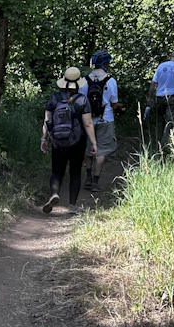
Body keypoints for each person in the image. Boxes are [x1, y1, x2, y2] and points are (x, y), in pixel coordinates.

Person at [41, 67, 98, 215]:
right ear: (78, 83)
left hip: (57, 140)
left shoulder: (54, 98)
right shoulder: (82, 100)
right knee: (75, 172)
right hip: (77, 142)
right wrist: (93, 142)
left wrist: (44, 138)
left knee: (57, 171)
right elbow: (88, 123)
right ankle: (72, 205)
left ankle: (54, 193)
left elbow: (47, 120)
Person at [80, 50, 119, 190]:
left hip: (88, 119)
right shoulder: (111, 80)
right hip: (106, 119)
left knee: (89, 148)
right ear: (105, 64)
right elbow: (114, 103)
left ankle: (88, 177)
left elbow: (80, 102)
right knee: (101, 151)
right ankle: (96, 181)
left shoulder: (84, 80)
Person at [146, 50, 174, 147]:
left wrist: (150, 98)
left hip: (159, 98)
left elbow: (153, 84)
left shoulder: (161, 66)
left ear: (171, 56)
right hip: (173, 98)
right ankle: (165, 147)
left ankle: (157, 144)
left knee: (160, 123)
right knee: (170, 123)